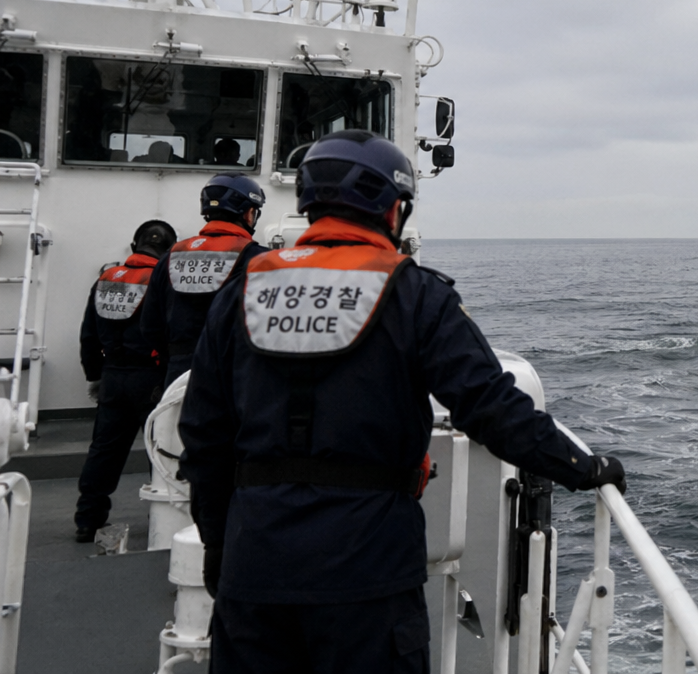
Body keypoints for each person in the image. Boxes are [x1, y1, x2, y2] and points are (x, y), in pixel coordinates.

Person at [178, 130, 627, 672]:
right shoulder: (415, 294)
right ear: (392, 209)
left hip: (255, 564)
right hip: (367, 568)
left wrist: (220, 551)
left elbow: (203, 433)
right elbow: (490, 407)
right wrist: (583, 467)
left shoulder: (242, 289)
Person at [75, 218, 178, 541]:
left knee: (104, 451)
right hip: (151, 379)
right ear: (169, 251)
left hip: (112, 378)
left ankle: (87, 520)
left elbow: (88, 336)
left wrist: (95, 376)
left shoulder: (106, 278)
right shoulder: (162, 280)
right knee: (160, 450)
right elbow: (169, 332)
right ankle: (163, 522)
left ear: (134, 246)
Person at [142, 173, 269, 388]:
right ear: (248, 214)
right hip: (235, 372)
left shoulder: (171, 256)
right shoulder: (259, 259)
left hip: (179, 373)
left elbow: (150, 326)